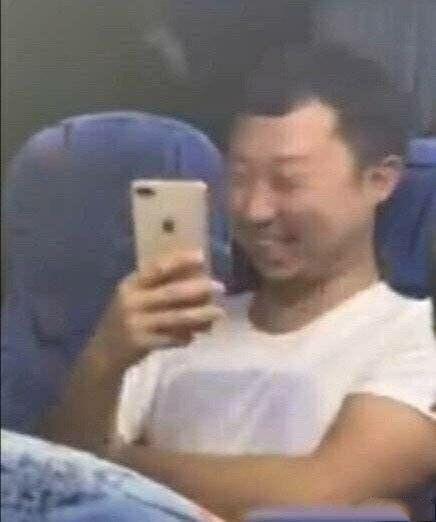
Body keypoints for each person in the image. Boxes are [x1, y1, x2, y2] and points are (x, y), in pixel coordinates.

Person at [40, 45, 436, 521]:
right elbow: (55, 481)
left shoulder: (415, 338)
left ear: (379, 180)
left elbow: (320, 492)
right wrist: (105, 357)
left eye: (287, 182)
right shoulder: (177, 318)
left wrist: (117, 462)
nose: (254, 209)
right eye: (240, 178)